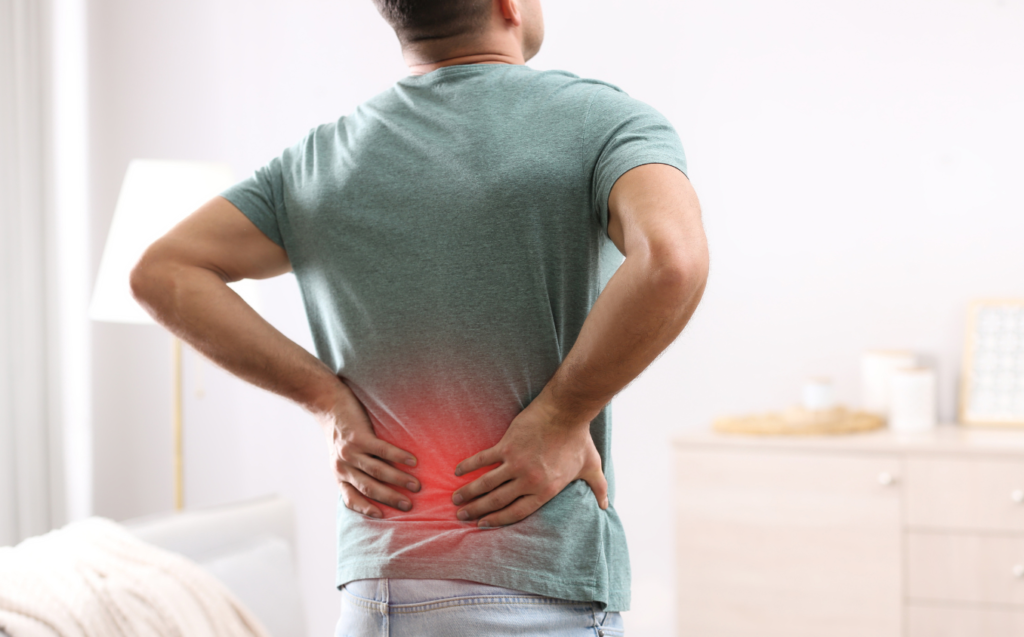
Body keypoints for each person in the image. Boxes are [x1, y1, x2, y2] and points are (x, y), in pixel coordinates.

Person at [130, 0, 709, 634]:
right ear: (508, 5)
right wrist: (560, 417)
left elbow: (163, 272)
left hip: (373, 598)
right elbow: (672, 260)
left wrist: (326, 400)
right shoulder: (603, 121)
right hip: (530, 594)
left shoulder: (321, 158)